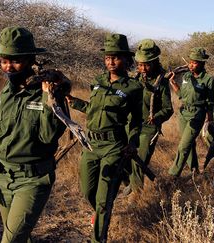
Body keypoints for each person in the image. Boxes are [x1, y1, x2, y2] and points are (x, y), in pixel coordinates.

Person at [0, 26, 68, 242]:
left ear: (30, 60)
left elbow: (48, 137)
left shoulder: (48, 92)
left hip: (33, 180)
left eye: (16, 60)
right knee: (19, 236)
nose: (9, 67)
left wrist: (50, 100)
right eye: (4, 60)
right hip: (1, 177)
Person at [66, 33, 142, 243]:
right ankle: (102, 212)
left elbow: (136, 120)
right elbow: (94, 109)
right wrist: (75, 102)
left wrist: (133, 143)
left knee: (102, 199)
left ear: (127, 60)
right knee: (87, 190)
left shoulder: (133, 88)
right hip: (91, 144)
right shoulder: (98, 82)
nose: (110, 62)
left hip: (114, 146)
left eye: (116, 57)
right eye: (108, 57)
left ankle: (98, 237)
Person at [125, 39, 173, 193]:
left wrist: (156, 118)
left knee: (140, 160)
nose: (143, 68)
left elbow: (168, 109)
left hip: (149, 128)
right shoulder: (135, 78)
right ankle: (130, 184)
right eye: (139, 64)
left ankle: (137, 196)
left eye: (146, 65)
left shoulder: (161, 82)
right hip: (131, 125)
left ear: (154, 62)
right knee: (125, 158)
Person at [168, 47, 214, 177]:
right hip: (183, 113)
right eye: (190, 62)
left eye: (194, 62)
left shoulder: (209, 79)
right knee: (189, 144)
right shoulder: (186, 76)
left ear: (202, 63)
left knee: (183, 146)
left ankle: (172, 175)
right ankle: (194, 170)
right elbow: (182, 95)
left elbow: (210, 102)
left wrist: (210, 120)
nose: (191, 65)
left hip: (197, 115)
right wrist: (173, 83)